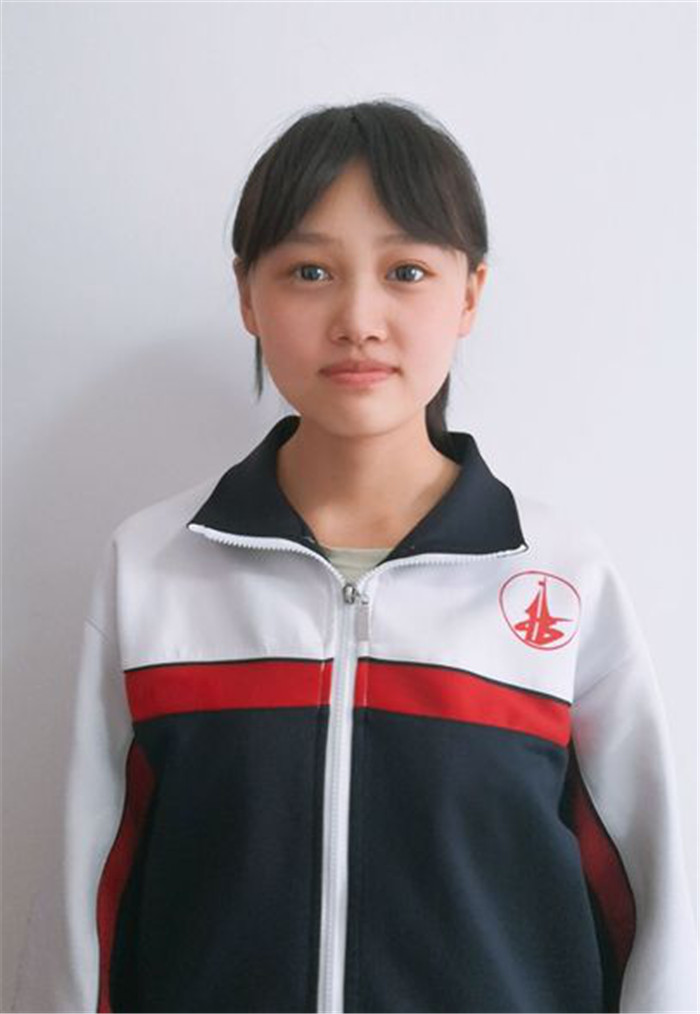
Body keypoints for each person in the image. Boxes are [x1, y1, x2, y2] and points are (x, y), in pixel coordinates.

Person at [12, 99, 697, 1014]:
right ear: (247, 294)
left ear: (470, 295)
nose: (358, 319)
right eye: (310, 271)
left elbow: (650, 908)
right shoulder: (153, 570)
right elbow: (83, 897)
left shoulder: (562, 579)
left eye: (406, 271)